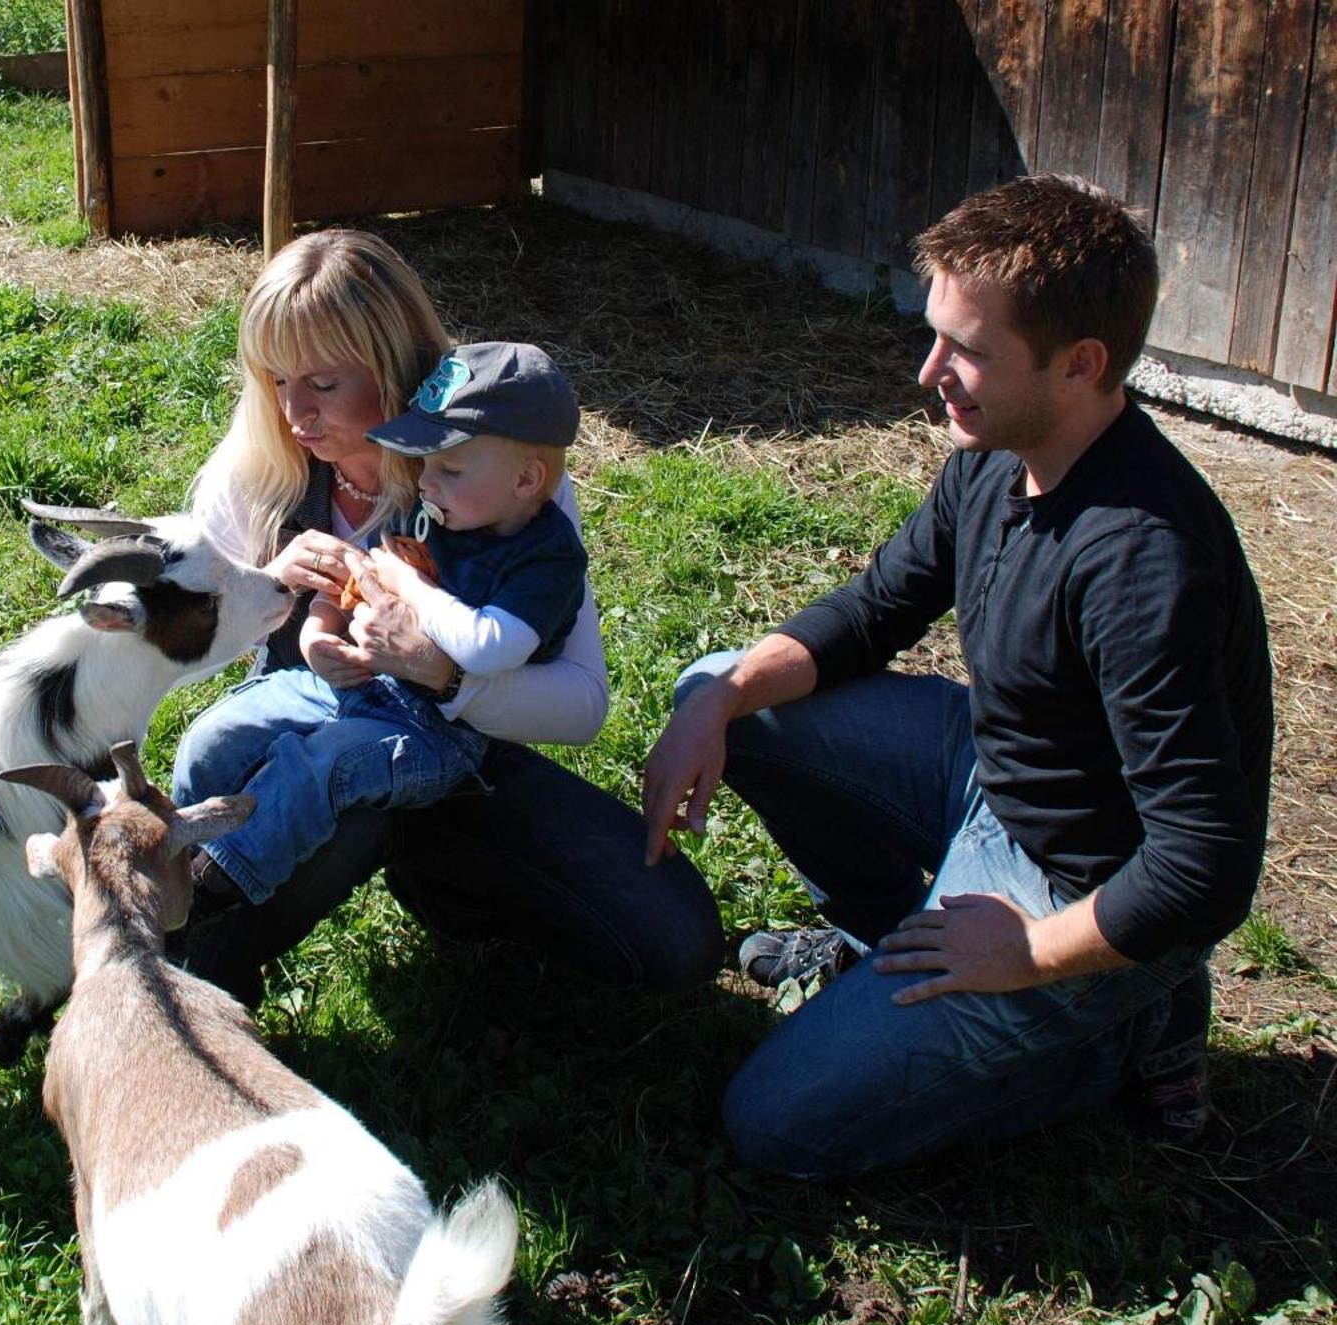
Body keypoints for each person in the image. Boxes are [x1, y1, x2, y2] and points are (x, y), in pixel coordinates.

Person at [643, 174, 1273, 1179]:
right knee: (724, 683)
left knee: (776, 1124)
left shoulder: (1144, 563)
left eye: (965, 349)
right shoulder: (993, 454)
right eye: (932, 332)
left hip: (1072, 888)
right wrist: (716, 701)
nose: (927, 368)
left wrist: (1025, 954)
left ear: (1081, 363)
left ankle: (1123, 1026)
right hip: (987, 775)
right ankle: (878, 935)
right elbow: (872, 610)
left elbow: (1203, 867)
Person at [171, 229, 724, 1006]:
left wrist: (444, 671)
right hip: (310, 726)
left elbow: (581, 701)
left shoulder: (494, 459)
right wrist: (273, 597)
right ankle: (205, 964)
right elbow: (188, 646)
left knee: (673, 935)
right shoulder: (262, 463)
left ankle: (445, 881)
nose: (294, 411)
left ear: (395, 368)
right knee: (244, 753)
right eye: (276, 379)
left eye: (324, 384)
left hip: (457, 748)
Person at [180, 340, 588, 910]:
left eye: (447, 468)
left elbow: (489, 649)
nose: (425, 482)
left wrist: (412, 590)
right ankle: (174, 851)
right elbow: (361, 573)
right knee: (215, 737)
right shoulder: (435, 510)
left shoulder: (546, 558)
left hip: (438, 731)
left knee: (314, 767)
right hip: (362, 686)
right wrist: (317, 632)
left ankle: (209, 892)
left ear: (525, 481)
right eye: (423, 466)